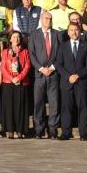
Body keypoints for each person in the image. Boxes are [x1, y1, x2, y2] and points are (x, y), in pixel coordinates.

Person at [55, 23, 87, 141]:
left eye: (76, 30)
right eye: (71, 30)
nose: (74, 32)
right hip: (67, 82)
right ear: (67, 32)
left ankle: (83, 133)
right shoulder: (63, 46)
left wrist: (78, 75)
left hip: (81, 82)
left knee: (83, 107)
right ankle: (66, 133)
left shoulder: (86, 46)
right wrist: (68, 76)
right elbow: (58, 64)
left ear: (80, 31)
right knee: (66, 108)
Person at [28, 11, 61, 139]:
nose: (49, 20)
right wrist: (41, 68)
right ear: (41, 19)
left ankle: (53, 130)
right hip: (39, 75)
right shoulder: (34, 34)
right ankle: (39, 130)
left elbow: (60, 54)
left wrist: (52, 68)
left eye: (50, 18)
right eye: (46, 18)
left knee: (54, 104)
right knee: (38, 104)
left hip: (53, 74)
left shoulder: (57, 34)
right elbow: (32, 54)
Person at [0, 30, 31, 139]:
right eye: (14, 36)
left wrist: (19, 77)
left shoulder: (25, 51)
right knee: (9, 107)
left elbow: (27, 67)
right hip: (9, 83)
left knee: (20, 107)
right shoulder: (5, 52)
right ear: (10, 39)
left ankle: (20, 130)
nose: (16, 39)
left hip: (22, 82)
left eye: (18, 37)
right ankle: (10, 130)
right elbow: (3, 68)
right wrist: (12, 78)